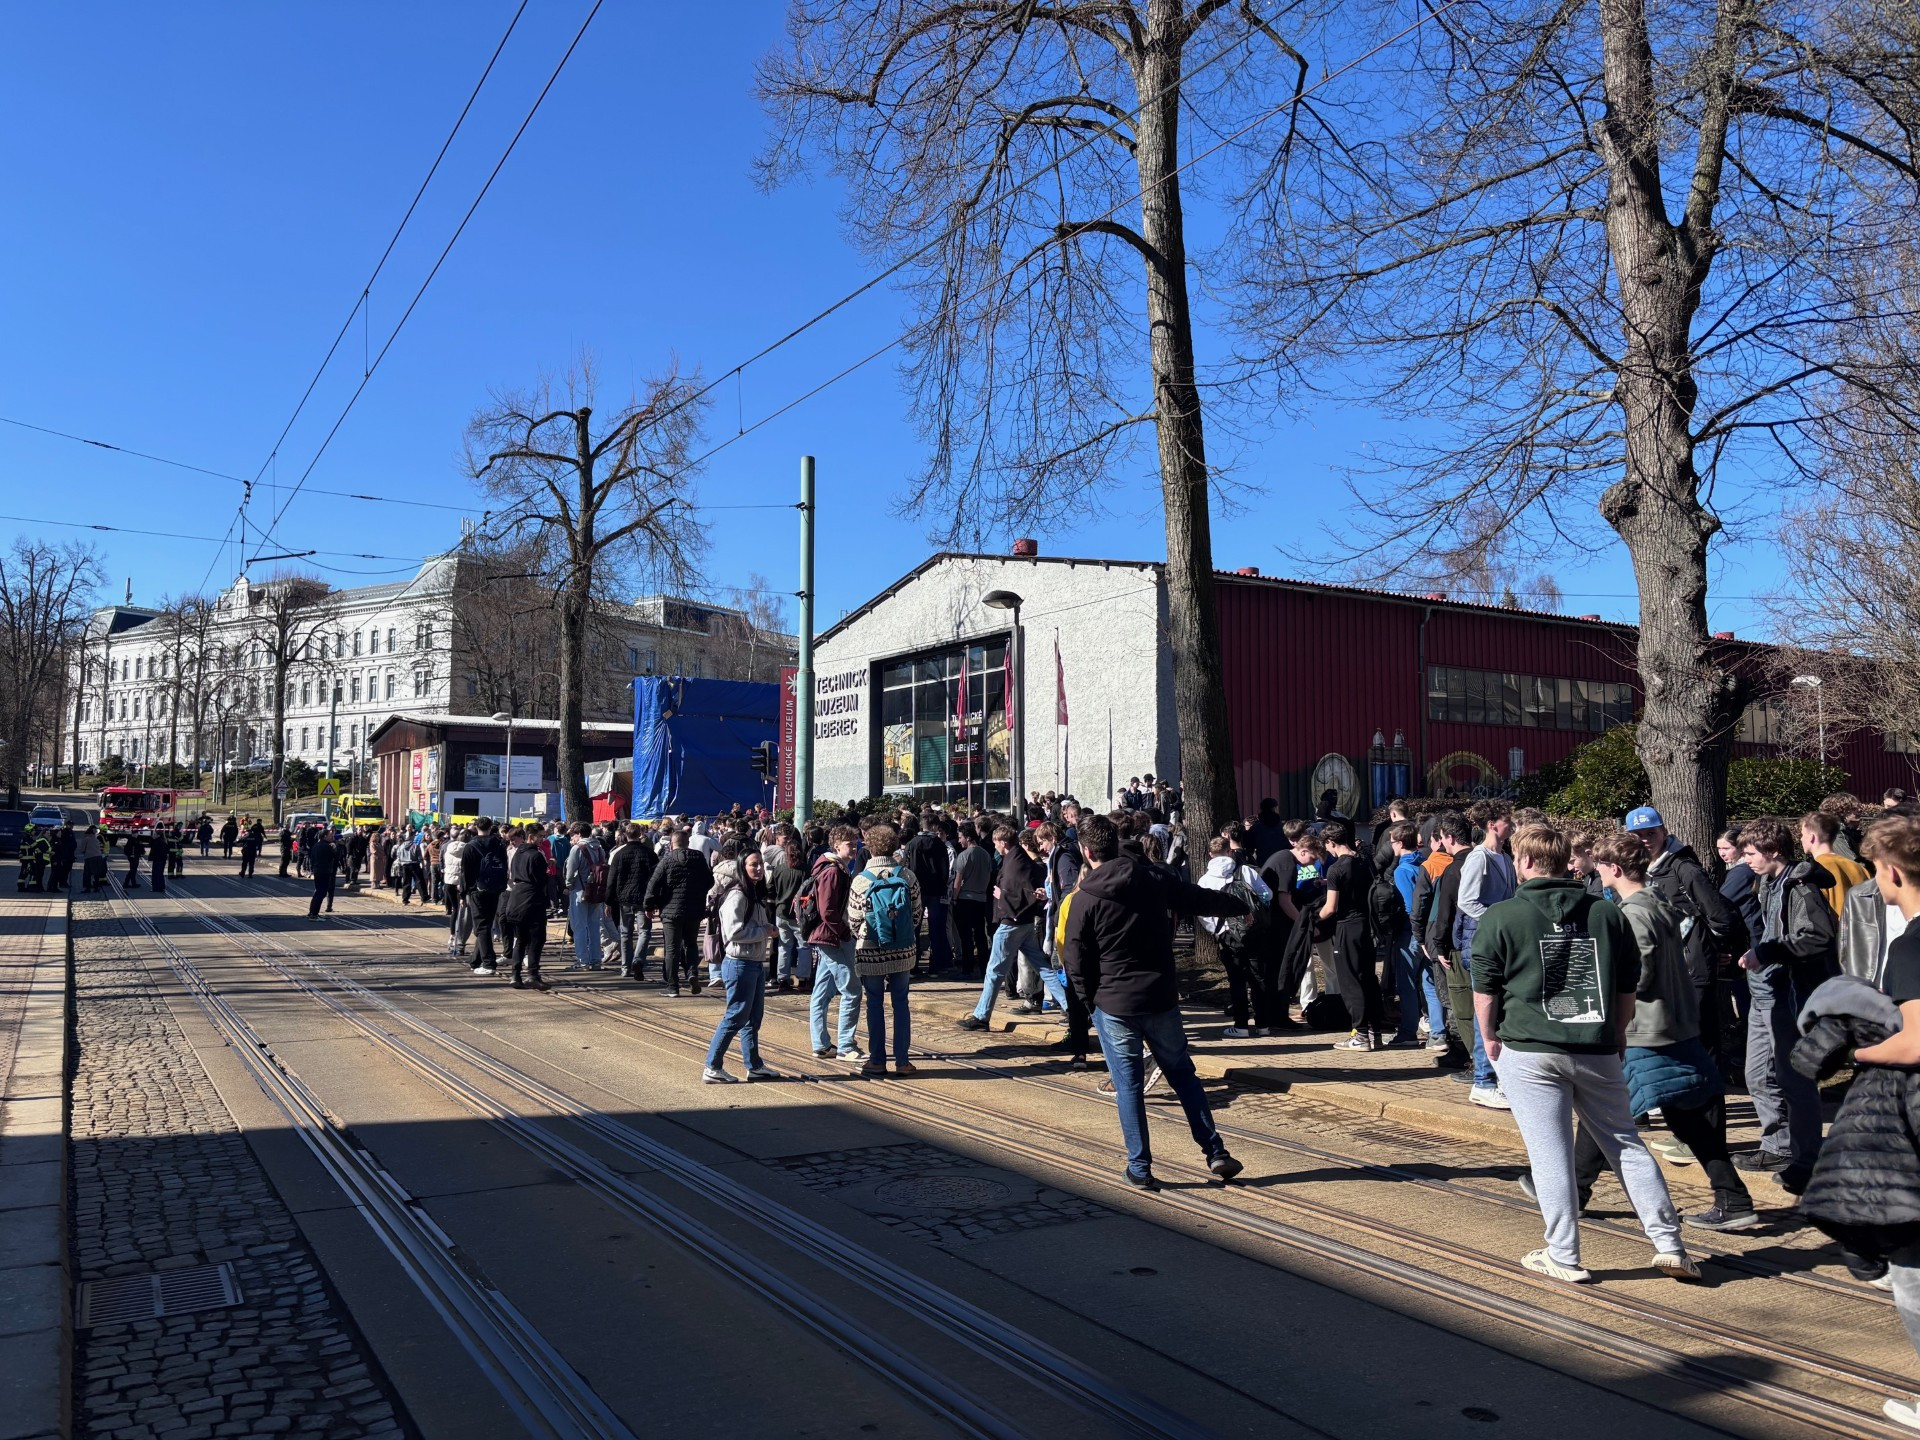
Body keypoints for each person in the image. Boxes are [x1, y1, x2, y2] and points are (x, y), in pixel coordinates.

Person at [1472, 823, 1700, 1283]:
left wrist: (1489, 1036)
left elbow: (1485, 988)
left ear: (1526, 862)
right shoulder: (1607, 913)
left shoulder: (1502, 915)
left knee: (1549, 1154)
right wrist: (1617, 1032)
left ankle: (1564, 1255)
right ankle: (1669, 1244)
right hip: (1596, 1044)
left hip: (1530, 1047)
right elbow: (1627, 984)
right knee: (1625, 1143)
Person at [1579, 832, 1757, 1231]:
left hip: (1647, 1030)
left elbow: (1638, 975)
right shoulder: (1659, 902)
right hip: (1675, 1024)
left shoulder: (1633, 914)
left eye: (1601, 865)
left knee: (1604, 1110)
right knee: (1685, 1119)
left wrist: (1603, 983)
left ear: (1614, 869)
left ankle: (1572, 1192)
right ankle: (1733, 1198)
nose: (1597, 871)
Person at [1063, 813, 1248, 1190]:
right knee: (1183, 1075)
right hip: (1160, 996)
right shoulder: (1154, 880)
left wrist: (1089, 1002)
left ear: (1086, 852)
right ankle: (1215, 1151)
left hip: (1114, 1003)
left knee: (1128, 1087)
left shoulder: (1084, 900)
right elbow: (1198, 899)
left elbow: (1075, 960)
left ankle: (1140, 1167)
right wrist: (1241, 905)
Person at [1813, 817, 1920, 1431]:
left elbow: (1914, 1043)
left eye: (1876, 869)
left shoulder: (1912, 947)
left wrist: (1854, 1050)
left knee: (1912, 1270)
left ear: (1893, 873)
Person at [1736, 816, 1836, 1194]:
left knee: (1795, 1079)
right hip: (1767, 989)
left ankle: (1807, 1160)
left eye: (1751, 853)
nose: (1746, 860)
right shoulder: (1767, 883)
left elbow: (1817, 936)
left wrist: (1768, 952)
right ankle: (1777, 1146)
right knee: (1757, 1074)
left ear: (1774, 851)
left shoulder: (1800, 886)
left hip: (1792, 994)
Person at [846, 824, 923, 1078]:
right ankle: (903, 1061)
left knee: (874, 1003)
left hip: (870, 951)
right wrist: (901, 935)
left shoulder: (861, 880)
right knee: (901, 1003)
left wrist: (867, 937)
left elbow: (854, 920)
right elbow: (916, 914)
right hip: (903, 950)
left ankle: (877, 1060)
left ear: (870, 848)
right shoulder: (908, 876)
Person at [1455, 801, 1517, 1107]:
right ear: (1492, 824)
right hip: (1485, 943)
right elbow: (1466, 900)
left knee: (1499, 1011)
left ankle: (1499, 1077)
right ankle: (1483, 1081)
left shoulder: (1504, 856)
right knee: (1486, 1011)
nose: (1513, 824)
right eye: (1508, 820)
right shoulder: (1478, 857)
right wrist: (1497, 920)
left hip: (1502, 942)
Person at [699, 849, 781, 1082]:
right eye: (753, 864)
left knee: (753, 1019)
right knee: (735, 1017)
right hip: (739, 964)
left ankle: (754, 1066)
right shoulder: (738, 895)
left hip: (754, 963)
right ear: (742, 867)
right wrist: (765, 931)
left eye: (760, 864)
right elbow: (734, 932)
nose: (759, 868)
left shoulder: (753, 893)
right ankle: (712, 1066)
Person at [958, 826, 1048, 1031]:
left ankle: (981, 1016)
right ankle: (1070, 1007)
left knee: (994, 971)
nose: (995, 846)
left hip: (1011, 923)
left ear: (1003, 843)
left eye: (996, 842)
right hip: (1024, 923)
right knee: (1043, 967)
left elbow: (1016, 890)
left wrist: (1002, 896)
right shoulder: (1019, 858)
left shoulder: (1014, 861)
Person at [1199, 836, 1276, 1038]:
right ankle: (1263, 1025)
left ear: (1210, 855)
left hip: (1227, 934)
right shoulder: (1246, 871)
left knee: (1236, 979)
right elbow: (1267, 894)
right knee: (1258, 977)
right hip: (1252, 931)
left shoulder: (1205, 880)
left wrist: (1217, 930)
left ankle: (1241, 1025)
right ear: (1230, 851)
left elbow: (1203, 912)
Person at [1321, 820, 1388, 1050]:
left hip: (1347, 927)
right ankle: (1375, 1032)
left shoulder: (1336, 869)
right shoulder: (1364, 861)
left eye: (1326, 845)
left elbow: (1330, 908)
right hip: (1368, 925)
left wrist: (1312, 917)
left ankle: (1359, 1035)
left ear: (1331, 842)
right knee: (1368, 978)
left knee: (1351, 981)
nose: (1327, 850)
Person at [1384, 821, 1446, 1049]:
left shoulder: (1402, 870)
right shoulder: (1425, 864)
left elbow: (1411, 906)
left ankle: (1408, 1031)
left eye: (1392, 842)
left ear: (1400, 843)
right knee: (1430, 983)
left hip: (1411, 933)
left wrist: (1416, 935)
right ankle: (1438, 1033)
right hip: (1429, 931)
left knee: (1407, 984)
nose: (1391, 846)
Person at [804, 825, 863, 1059]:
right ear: (837, 846)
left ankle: (820, 1044)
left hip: (826, 936)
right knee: (852, 990)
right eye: (850, 844)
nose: (855, 848)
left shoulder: (834, 868)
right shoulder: (833, 871)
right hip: (832, 937)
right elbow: (828, 910)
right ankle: (846, 1046)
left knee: (822, 991)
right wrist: (844, 933)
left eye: (856, 843)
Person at [644, 826, 711, 996]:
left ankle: (673, 986)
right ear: (688, 843)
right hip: (694, 909)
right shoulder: (699, 858)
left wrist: (649, 906)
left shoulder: (667, 860)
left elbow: (653, 884)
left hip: (671, 910)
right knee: (691, 944)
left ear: (672, 844)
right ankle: (692, 972)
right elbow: (709, 881)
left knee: (672, 949)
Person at [498, 827, 550, 990]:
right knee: (536, 939)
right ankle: (532, 974)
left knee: (521, 939)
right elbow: (541, 879)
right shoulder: (536, 855)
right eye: (540, 836)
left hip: (516, 897)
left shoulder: (517, 853)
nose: (542, 839)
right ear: (531, 837)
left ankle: (515, 974)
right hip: (532, 899)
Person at [901, 816, 952, 976]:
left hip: (916, 891)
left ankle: (913, 966)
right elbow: (945, 869)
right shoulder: (940, 845)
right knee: (936, 928)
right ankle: (935, 966)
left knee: (914, 928)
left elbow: (905, 867)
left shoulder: (912, 844)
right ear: (934, 827)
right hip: (936, 891)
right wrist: (943, 886)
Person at [608, 825, 659, 981]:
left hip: (625, 898)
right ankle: (638, 959)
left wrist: (608, 901)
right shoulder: (649, 853)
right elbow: (656, 878)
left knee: (625, 933)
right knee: (644, 932)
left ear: (625, 835)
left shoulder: (619, 854)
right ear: (640, 834)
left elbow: (612, 879)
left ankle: (625, 967)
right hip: (644, 898)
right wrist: (656, 899)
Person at [460, 817, 510, 977]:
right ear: (490, 827)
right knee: (486, 925)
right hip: (495, 888)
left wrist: (463, 894)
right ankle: (475, 960)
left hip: (477, 889)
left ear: (476, 827)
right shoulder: (499, 844)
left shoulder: (470, 846)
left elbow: (465, 872)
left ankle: (488, 963)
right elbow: (504, 864)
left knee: (481, 926)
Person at [1803, 810, 1870, 919]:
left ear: (1811, 837)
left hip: (1835, 928)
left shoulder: (1815, 871)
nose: (1801, 839)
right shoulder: (1860, 868)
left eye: (1803, 834)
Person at [950, 824, 994, 980]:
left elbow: (958, 881)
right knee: (980, 935)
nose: (959, 840)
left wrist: (954, 898)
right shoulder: (986, 855)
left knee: (966, 936)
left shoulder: (963, 856)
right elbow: (989, 876)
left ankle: (967, 969)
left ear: (968, 838)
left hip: (965, 899)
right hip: (981, 898)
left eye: (960, 837)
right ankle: (983, 967)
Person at [563, 822, 607, 971]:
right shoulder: (600, 848)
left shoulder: (577, 849)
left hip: (579, 891)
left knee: (579, 927)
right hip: (596, 891)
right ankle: (596, 960)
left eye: (573, 835)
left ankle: (583, 961)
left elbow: (570, 872)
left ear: (579, 834)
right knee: (594, 926)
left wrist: (568, 885)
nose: (572, 838)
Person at [765, 832, 806, 991]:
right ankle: (802, 978)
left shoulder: (779, 869)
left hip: (781, 911)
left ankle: (782, 979)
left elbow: (770, 888)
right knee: (803, 946)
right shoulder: (805, 870)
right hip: (799, 913)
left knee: (784, 946)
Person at [443, 826, 472, 959]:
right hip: (460, 883)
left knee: (455, 910)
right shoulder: (468, 849)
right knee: (462, 912)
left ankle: (452, 936)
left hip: (449, 882)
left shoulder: (449, 847)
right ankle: (458, 940)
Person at [305, 828, 339, 919]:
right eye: (330, 835)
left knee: (317, 891)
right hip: (324, 871)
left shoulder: (316, 845)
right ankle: (314, 915)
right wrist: (335, 848)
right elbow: (334, 857)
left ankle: (312, 912)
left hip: (317, 870)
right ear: (325, 836)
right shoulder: (327, 846)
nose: (332, 837)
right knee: (322, 893)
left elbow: (312, 859)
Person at [76, 824, 106, 894]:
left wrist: (85, 852)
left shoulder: (86, 838)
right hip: (98, 857)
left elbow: (82, 849)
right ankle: (96, 887)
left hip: (90, 857)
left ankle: (88, 887)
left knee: (87, 873)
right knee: (96, 873)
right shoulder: (95, 838)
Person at [48, 823, 75, 894]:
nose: (61, 834)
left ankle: (54, 887)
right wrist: (54, 861)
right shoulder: (55, 841)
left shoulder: (59, 840)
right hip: (55, 860)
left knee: (57, 874)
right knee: (54, 874)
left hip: (59, 859)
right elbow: (54, 852)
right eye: (59, 833)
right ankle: (51, 887)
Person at [148, 825, 170, 896]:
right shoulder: (163, 841)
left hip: (157, 860)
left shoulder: (157, 842)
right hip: (162, 860)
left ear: (158, 835)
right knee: (160, 874)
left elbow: (152, 848)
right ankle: (161, 887)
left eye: (155, 834)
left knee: (155, 874)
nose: (153, 835)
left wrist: (152, 839)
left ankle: (156, 887)